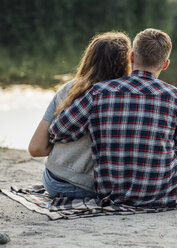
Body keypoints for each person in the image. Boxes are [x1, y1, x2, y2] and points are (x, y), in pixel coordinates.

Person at [49, 28, 177, 207]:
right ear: (165, 64)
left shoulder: (99, 92)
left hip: (112, 192)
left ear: (132, 57)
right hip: (165, 191)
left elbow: (58, 131)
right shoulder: (175, 97)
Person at [28, 32, 131, 198]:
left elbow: (36, 148)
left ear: (89, 57)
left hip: (54, 182)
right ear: (127, 62)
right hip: (93, 188)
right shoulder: (128, 96)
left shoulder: (68, 90)